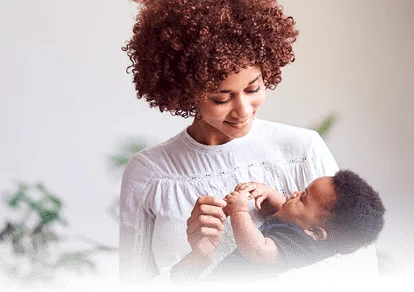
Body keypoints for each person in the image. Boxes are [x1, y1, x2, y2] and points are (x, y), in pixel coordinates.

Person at [119, 0, 379, 286]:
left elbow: (358, 271)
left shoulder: (302, 150)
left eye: (254, 88)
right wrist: (197, 259)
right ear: (185, 90)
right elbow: (132, 287)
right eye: (221, 98)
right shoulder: (149, 173)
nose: (243, 110)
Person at [174, 169, 384, 286]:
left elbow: (258, 250)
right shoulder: (300, 229)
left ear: (315, 233)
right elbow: (277, 212)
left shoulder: (302, 246)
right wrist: (266, 192)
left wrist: (239, 211)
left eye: (303, 198)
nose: (293, 194)